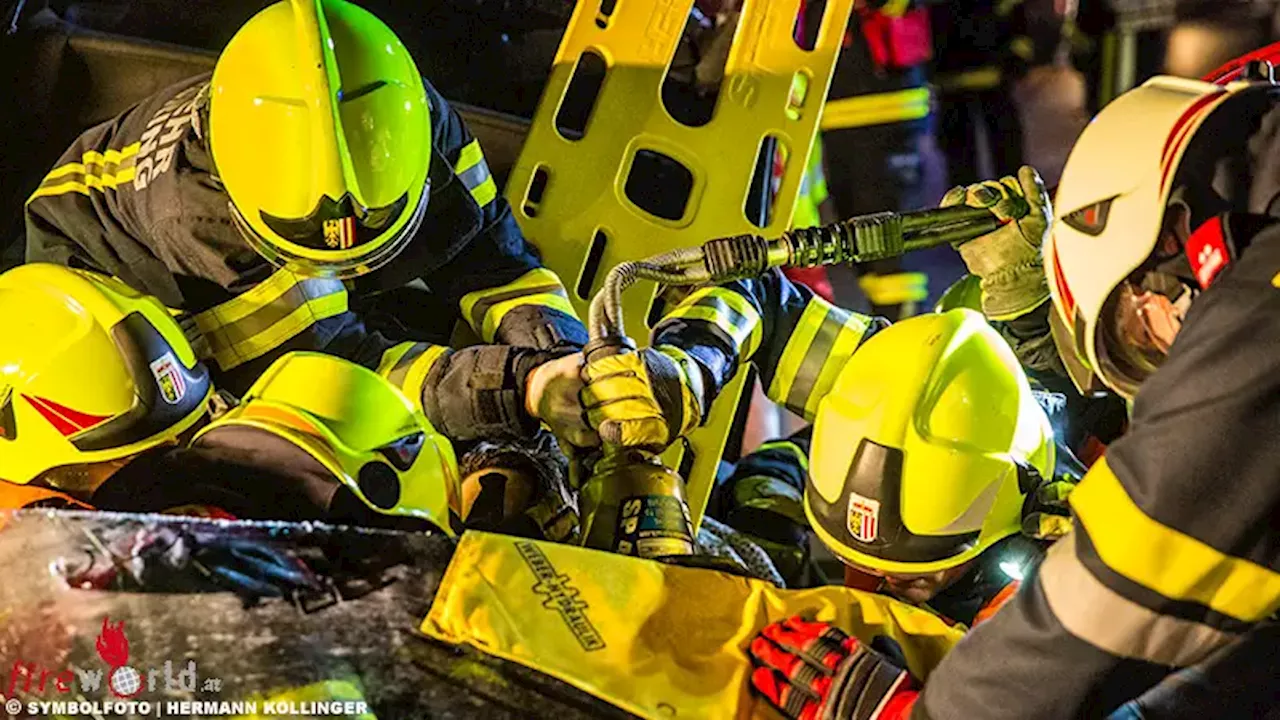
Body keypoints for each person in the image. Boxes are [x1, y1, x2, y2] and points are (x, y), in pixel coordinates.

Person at [704, 68, 1280, 720]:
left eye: (1141, 328)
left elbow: (1129, 588)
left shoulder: (1258, 314)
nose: (1171, 359)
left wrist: (914, 716)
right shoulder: (899, 391)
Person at [22, 0, 591, 449]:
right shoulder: (195, 220)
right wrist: (525, 387)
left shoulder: (418, 120)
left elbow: (495, 263)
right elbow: (336, 376)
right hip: (112, 286)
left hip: (252, 260)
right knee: (251, 438)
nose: (345, 258)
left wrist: (569, 356)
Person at [707, 311, 1077, 612]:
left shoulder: (1049, 581)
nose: (885, 573)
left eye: (917, 562)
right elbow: (757, 295)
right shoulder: (888, 405)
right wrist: (769, 517)